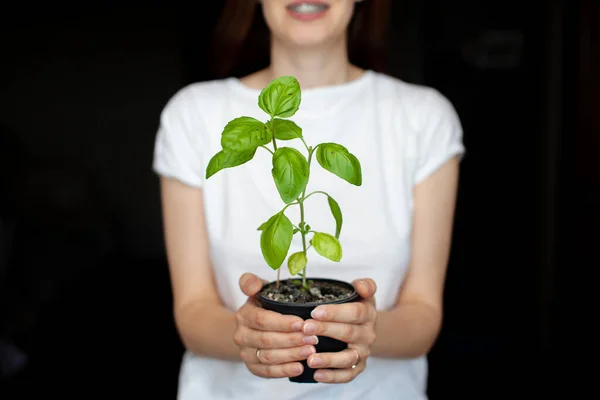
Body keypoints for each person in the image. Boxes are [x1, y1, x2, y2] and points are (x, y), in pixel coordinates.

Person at [152, 0, 465, 399]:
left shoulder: (424, 117)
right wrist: (244, 333)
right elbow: (192, 313)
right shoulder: (193, 115)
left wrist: (366, 328)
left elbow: (423, 317)